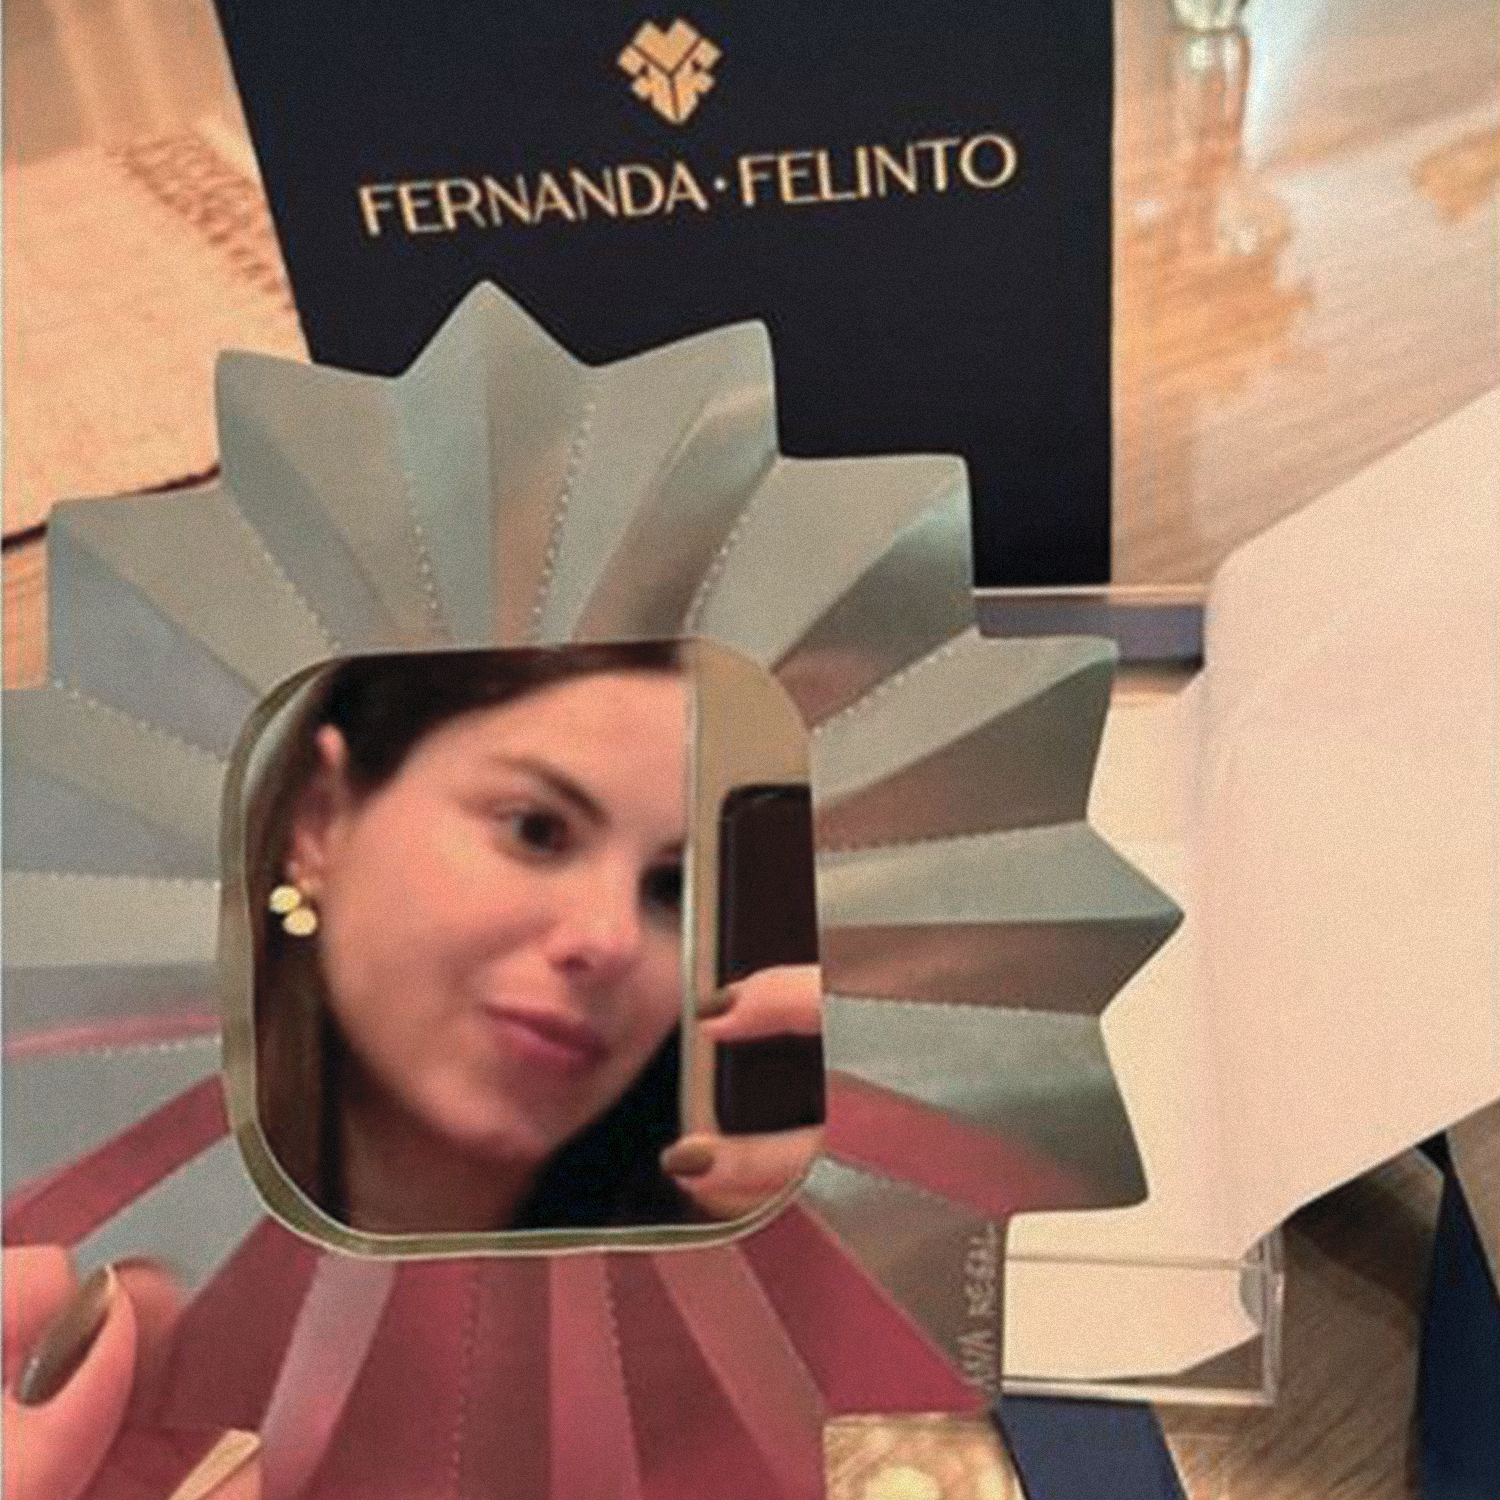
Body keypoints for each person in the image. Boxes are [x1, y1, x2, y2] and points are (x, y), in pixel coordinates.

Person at [248, 644, 822, 1236]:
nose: (610, 941)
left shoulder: (736, 1272)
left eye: (673, 888)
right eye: (537, 830)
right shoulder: (184, 1199)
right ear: (320, 820)